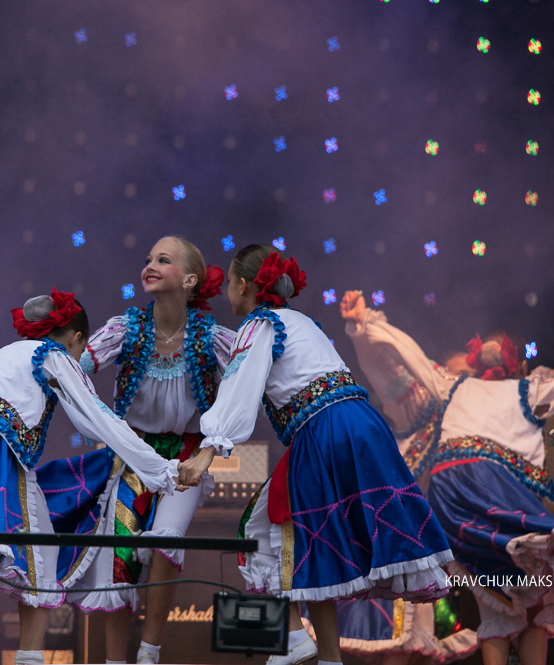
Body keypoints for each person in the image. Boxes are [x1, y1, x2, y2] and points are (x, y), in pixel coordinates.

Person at [335, 291, 554, 665]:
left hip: (457, 501)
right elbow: (401, 360)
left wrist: (366, 325)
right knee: (533, 594)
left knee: (508, 605)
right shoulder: (463, 389)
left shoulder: (471, 388)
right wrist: (366, 327)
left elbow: (407, 353)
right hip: (481, 493)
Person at [178, 245, 454, 665]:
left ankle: (297, 639)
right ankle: (323, 654)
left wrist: (207, 451)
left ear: (243, 285)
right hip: (363, 427)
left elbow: (239, 389)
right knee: (309, 539)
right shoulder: (299, 321)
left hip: (323, 432)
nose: (228, 292)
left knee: (263, 528)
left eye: (230, 282)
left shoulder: (260, 325)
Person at [0, 290, 183, 665]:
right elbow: (98, 419)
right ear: (77, 338)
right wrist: (163, 469)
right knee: (42, 548)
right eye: (81, 349)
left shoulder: (11, 351)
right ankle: (30, 657)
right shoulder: (54, 355)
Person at [40, 236, 234, 664]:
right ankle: (114, 661)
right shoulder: (127, 329)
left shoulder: (213, 338)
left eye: (163, 260)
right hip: (133, 455)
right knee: (120, 554)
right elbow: (73, 368)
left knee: (167, 539)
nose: (150, 265)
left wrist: (210, 449)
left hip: (184, 459)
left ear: (189, 280)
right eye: (148, 259)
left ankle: (149, 653)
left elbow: (246, 383)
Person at [339, 294, 479, 665]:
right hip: (399, 547)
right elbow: (385, 368)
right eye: (452, 374)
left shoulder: (478, 426)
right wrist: (363, 330)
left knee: (416, 647)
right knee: (395, 643)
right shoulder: (420, 411)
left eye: (468, 377)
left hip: (442, 554)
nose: (458, 383)